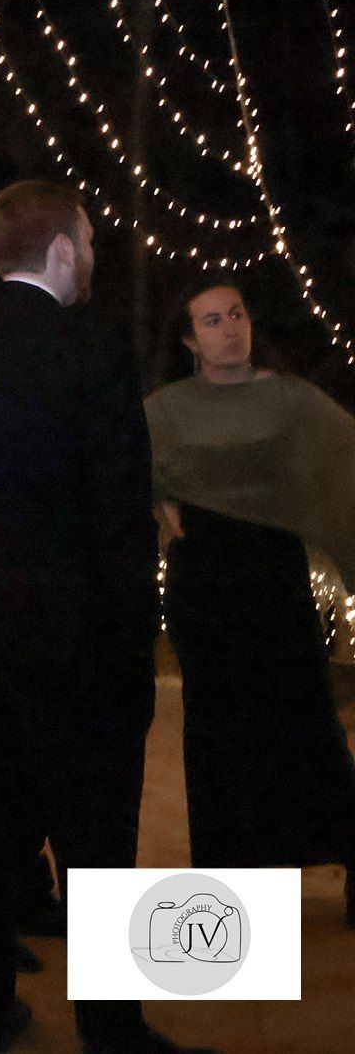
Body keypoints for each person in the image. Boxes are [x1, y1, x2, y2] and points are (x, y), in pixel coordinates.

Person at [0, 181, 205, 1054]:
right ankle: (111, 1026)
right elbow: (117, 512)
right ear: (60, 250)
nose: (92, 256)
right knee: (95, 825)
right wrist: (134, 643)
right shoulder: (92, 351)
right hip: (70, 636)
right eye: (88, 241)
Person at [146, 275, 355, 926]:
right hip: (205, 588)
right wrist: (165, 510)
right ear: (188, 340)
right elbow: (130, 466)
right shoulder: (167, 408)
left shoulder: (288, 399)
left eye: (236, 313)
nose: (230, 327)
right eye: (212, 320)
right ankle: (235, 896)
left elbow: (341, 458)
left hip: (273, 583)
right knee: (220, 738)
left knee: (305, 724)